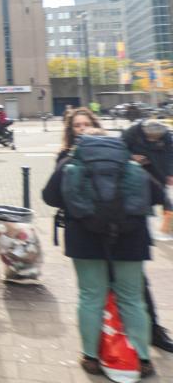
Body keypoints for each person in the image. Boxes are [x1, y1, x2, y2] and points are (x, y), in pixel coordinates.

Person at [42, 125, 164, 377]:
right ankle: (142, 359)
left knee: (90, 297)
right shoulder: (128, 162)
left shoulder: (70, 163)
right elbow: (158, 194)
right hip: (130, 240)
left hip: (85, 240)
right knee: (132, 299)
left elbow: (49, 197)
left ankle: (91, 358)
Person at [123, 118, 173, 352]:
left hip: (132, 225)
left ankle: (150, 331)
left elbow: (160, 189)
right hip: (98, 233)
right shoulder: (128, 141)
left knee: (135, 286)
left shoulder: (165, 142)